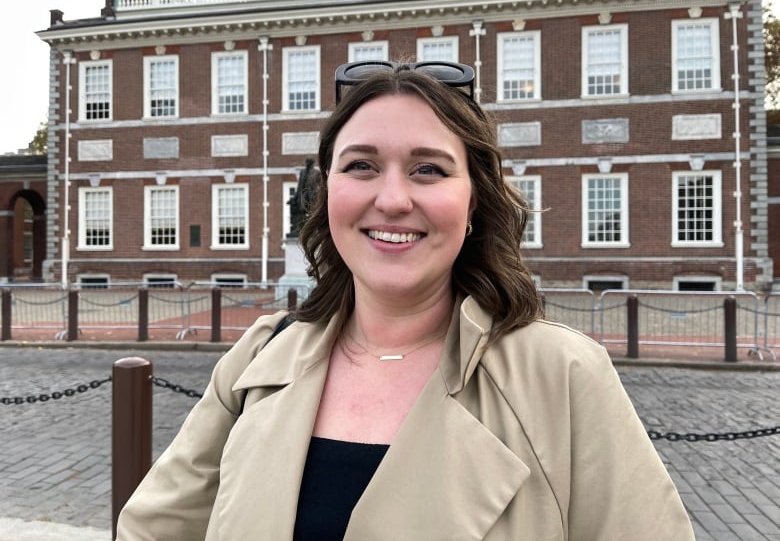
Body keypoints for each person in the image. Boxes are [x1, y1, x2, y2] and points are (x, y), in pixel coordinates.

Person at [116, 61, 696, 540]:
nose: (392, 199)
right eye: (361, 165)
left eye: (428, 169)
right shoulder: (258, 361)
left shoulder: (562, 375)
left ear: (474, 203)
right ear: (327, 192)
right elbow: (153, 531)